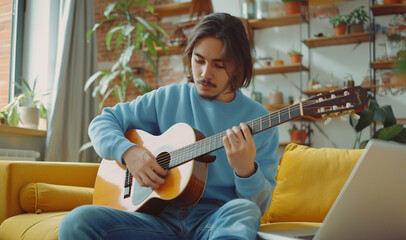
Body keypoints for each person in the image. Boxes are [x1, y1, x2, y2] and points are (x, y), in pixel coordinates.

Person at [59, 12, 279, 240]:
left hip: (215, 221)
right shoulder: (168, 98)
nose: (204, 73)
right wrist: (129, 152)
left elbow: (258, 207)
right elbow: (102, 123)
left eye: (219, 65)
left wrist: (246, 171)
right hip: (156, 220)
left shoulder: (260, 122)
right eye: (199, 60)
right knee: (77, 221)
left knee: (243, 210)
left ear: (237, 67)